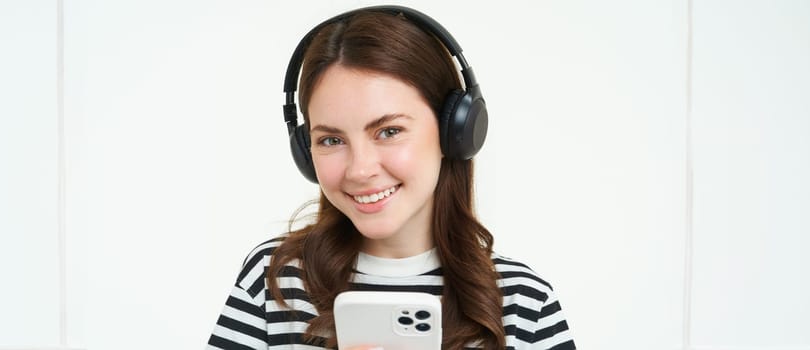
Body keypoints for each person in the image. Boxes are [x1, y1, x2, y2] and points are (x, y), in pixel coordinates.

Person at [207, 5, 575, 350]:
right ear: (306, 151)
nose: (360, 169)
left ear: (455, 131)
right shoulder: (274, 279)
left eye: (389, 131)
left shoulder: (524, 302)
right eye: (331, 140)